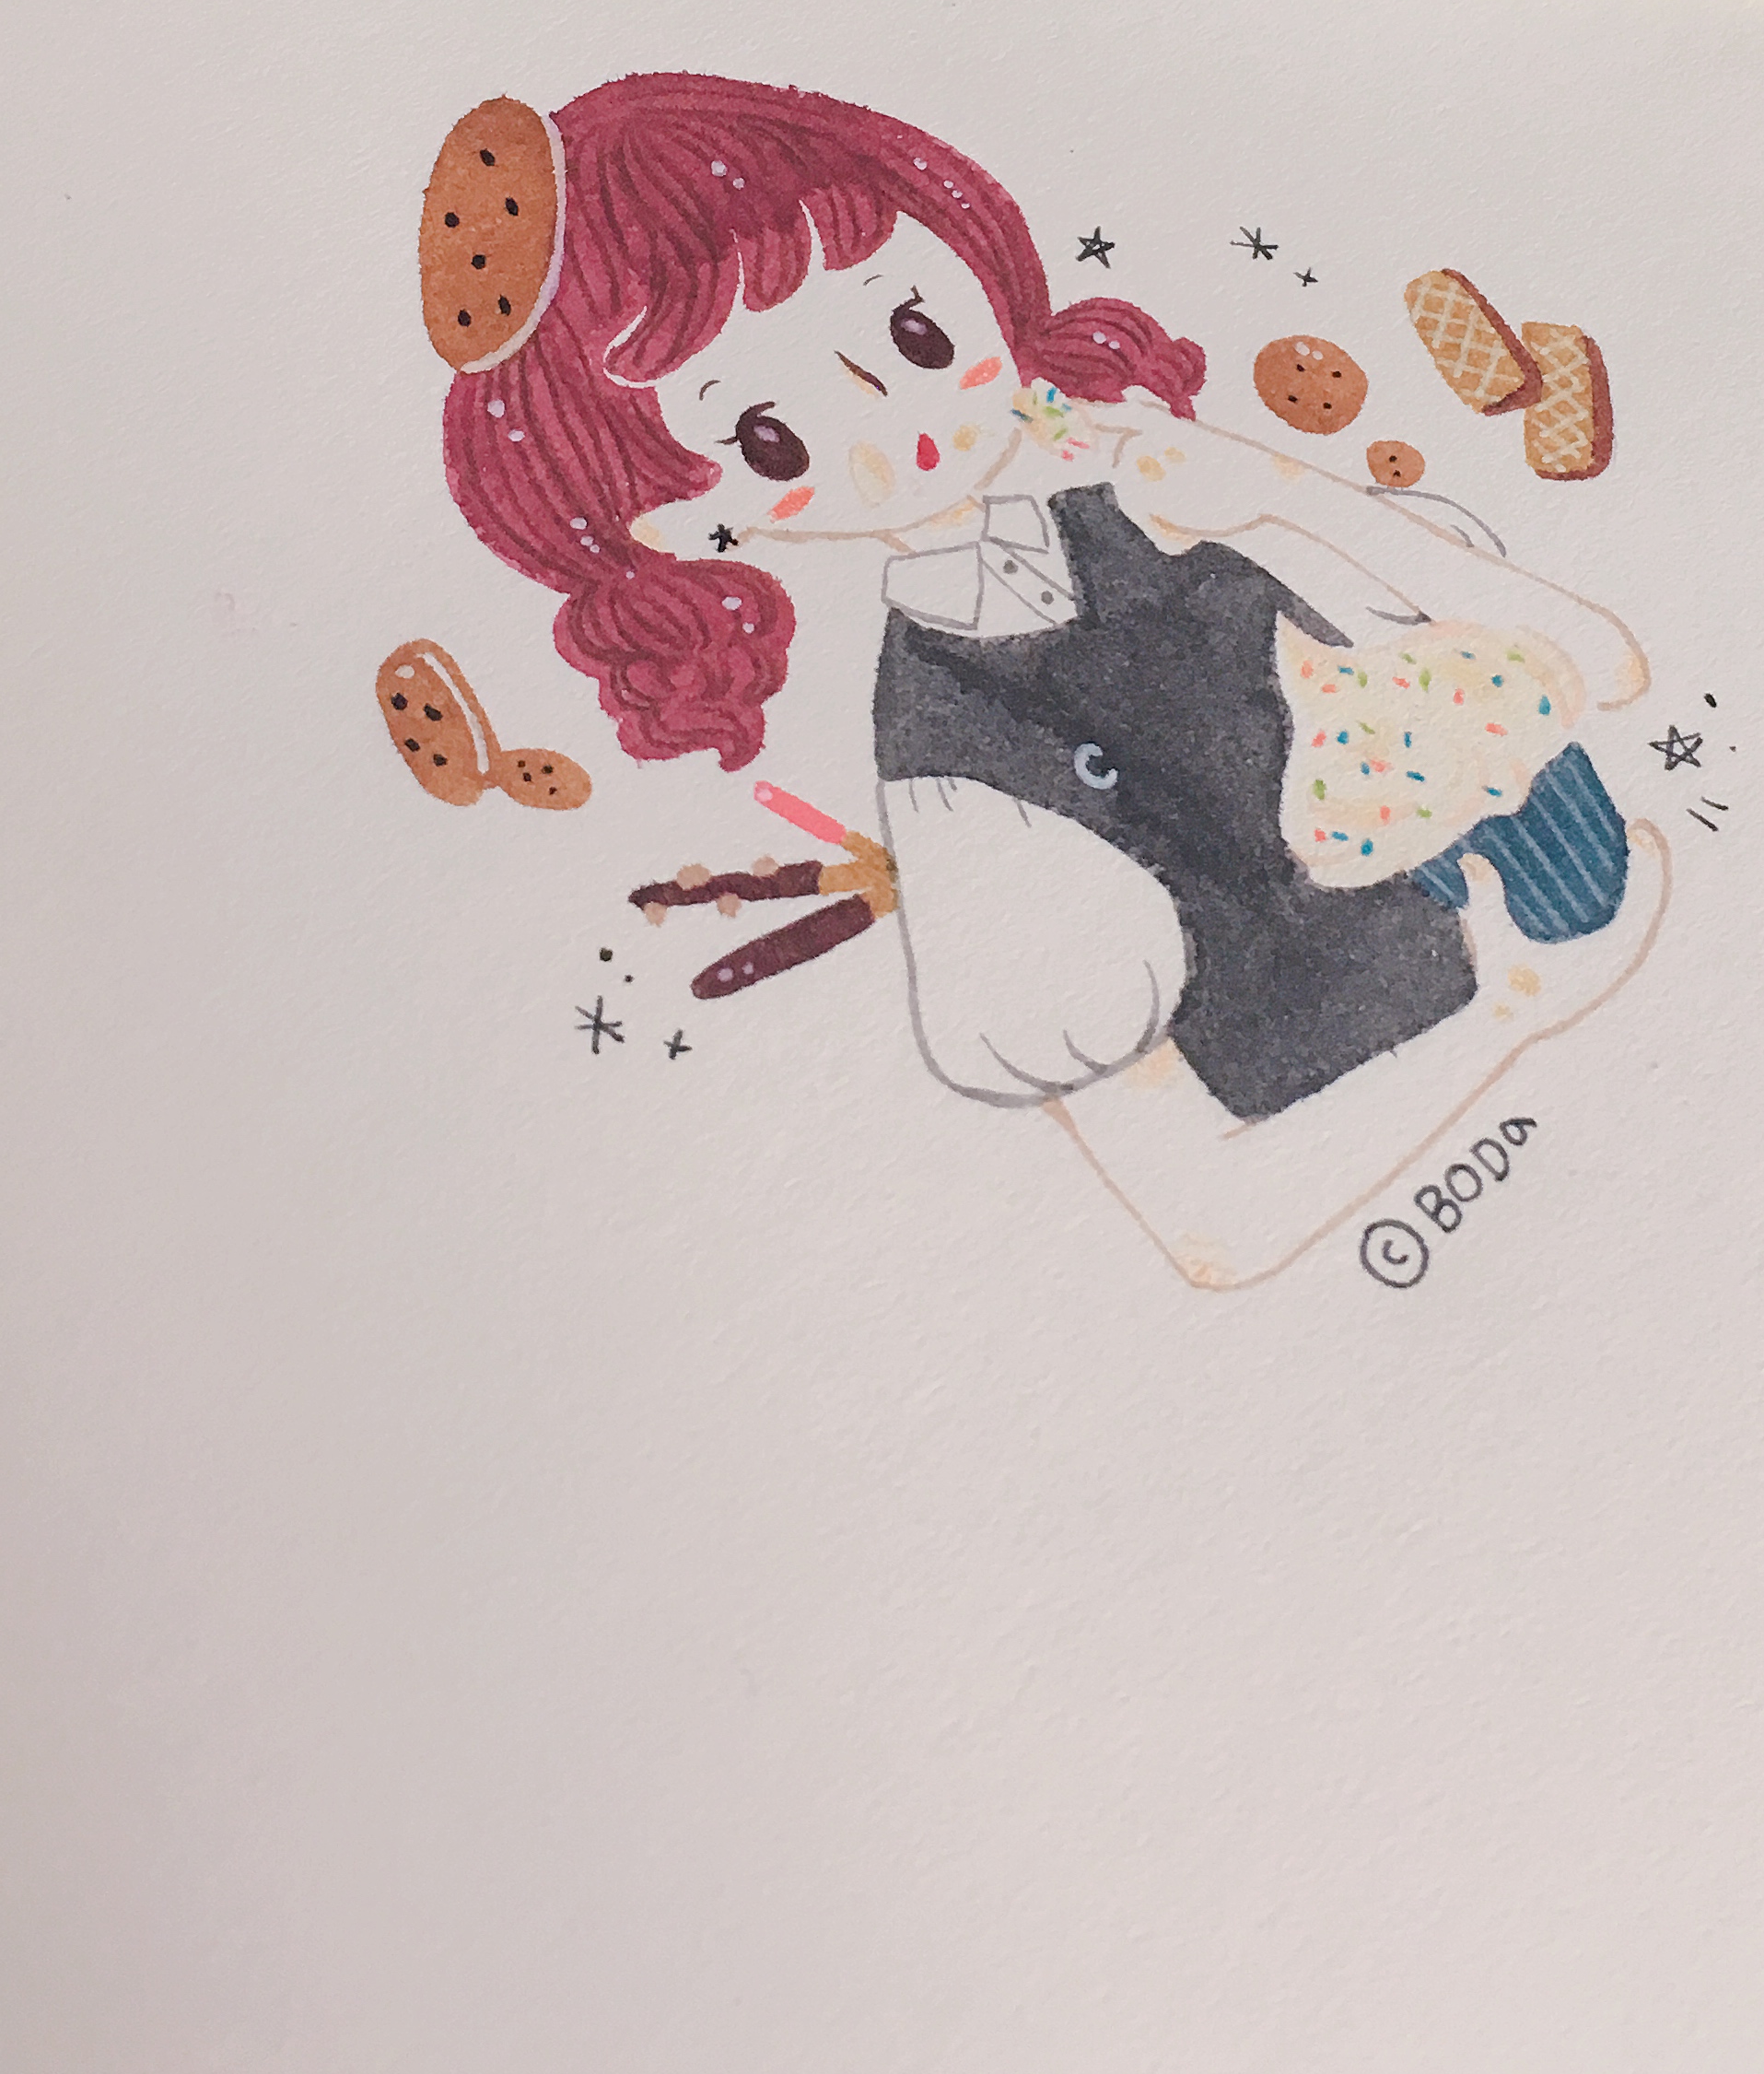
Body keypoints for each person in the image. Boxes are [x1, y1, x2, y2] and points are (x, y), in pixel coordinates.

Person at [438, 73, 1669, 1284]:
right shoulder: (941, 743)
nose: (900, 419)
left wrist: (1275, 496)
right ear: (669, 528)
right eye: (772, 437)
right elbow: (1208, 1226)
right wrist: (1523, 1014)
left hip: (1577, 933)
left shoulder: (1169, 500)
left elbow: (1575, 657)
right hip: (1362, 1097)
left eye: (915, 333)